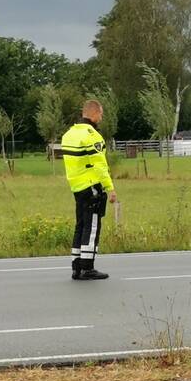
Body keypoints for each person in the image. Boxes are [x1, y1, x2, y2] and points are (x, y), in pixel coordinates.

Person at [61, 100, 118, 280]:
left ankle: (76, 266)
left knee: (80, 225)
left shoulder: (69, 134)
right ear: (94, 113)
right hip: (91, 185)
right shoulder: (92, 136)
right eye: (100, 114)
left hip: (76, 186)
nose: (101, 118)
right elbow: (100, 166)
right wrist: (110, 188)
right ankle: (88, 267)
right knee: (92, 227)